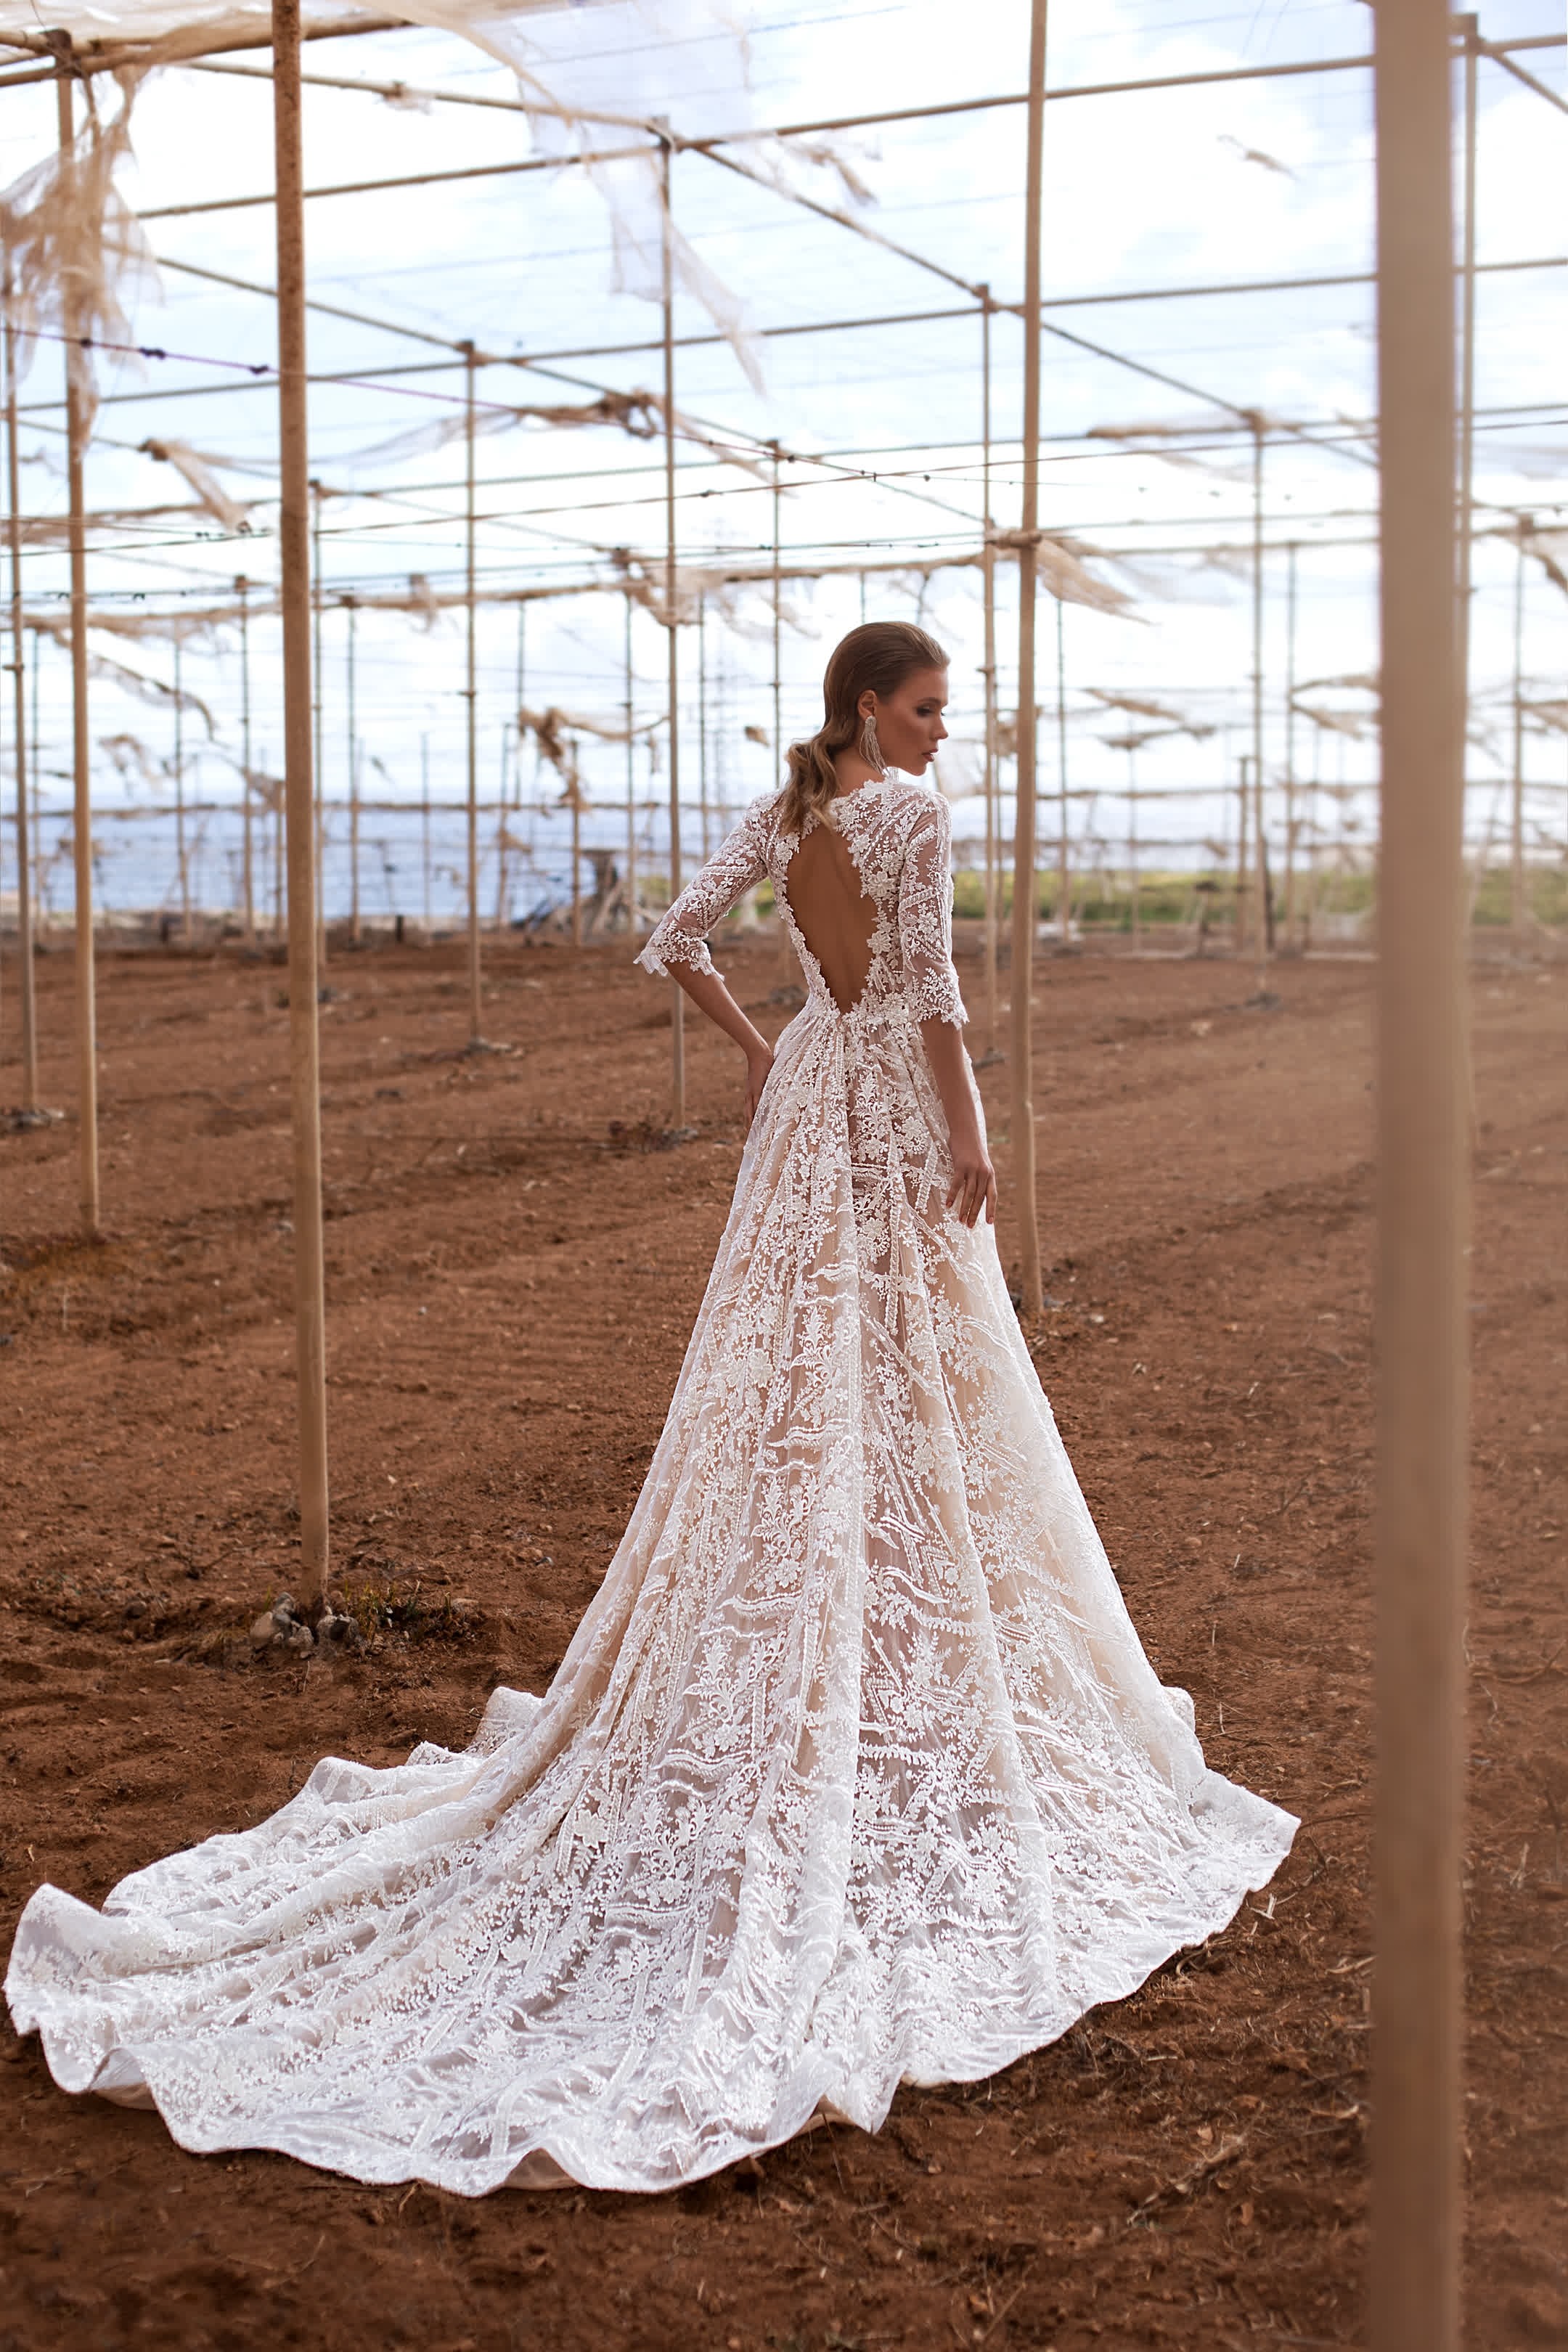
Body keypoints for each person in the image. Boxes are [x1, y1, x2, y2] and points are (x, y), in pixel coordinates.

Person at [6, 621, 1295, 2198]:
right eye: (933, 708)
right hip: (882, 1105)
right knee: (905, 1380)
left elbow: (679, 937)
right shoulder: (904, 811)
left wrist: (768, 1050)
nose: (949, 732)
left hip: (810, 1102)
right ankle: (889, 1666)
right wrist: (976, 1139)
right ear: (874, 708)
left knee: (794, 1383)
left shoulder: (795, 805)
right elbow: (940, 998)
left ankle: (847, 1651)